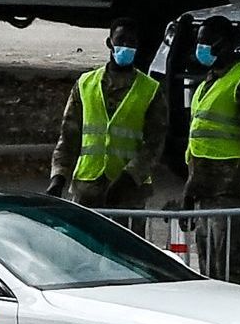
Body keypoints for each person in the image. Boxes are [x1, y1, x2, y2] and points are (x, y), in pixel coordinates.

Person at [47, 34, 164, 209]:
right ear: (110, 43)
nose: (126, 47)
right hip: (87, 188)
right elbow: (68, 137)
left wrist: (129, 177)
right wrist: (58, 177)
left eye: (131, 43)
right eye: (121, 42)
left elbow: (155, 144)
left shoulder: (150, 89)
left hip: (129, 192)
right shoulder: (85, 84)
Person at [180, 16, 240, 208]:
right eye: (199, 42)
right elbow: (198, 145)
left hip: (235, 191)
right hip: (206, 192)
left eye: (206, 42)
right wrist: (190, 190)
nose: (201, 48)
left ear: (224, 44)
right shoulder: (207, 84)